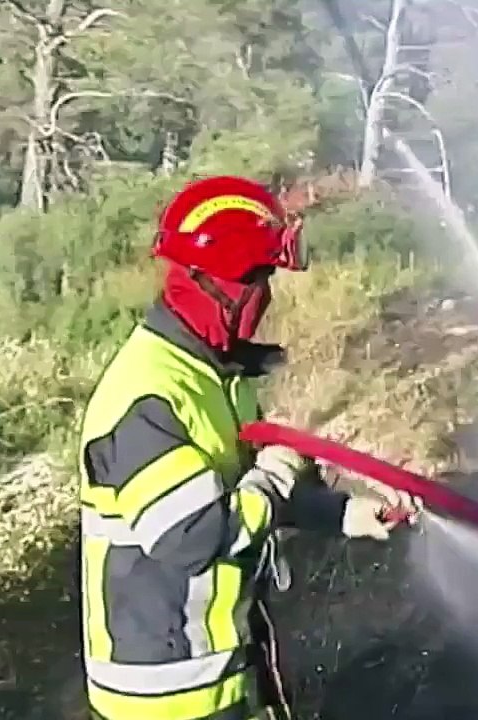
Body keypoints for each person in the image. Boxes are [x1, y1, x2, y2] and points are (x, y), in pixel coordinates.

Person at [77, 175, 420, 720]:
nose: (267, 297)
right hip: (163, 698)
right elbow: (194, 536)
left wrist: (342, 513)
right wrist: (276, 474)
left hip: (221, 672)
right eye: (261, 279)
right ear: (224, 285)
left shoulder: (212, 375)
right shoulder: (148, 396)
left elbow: (246, 490)